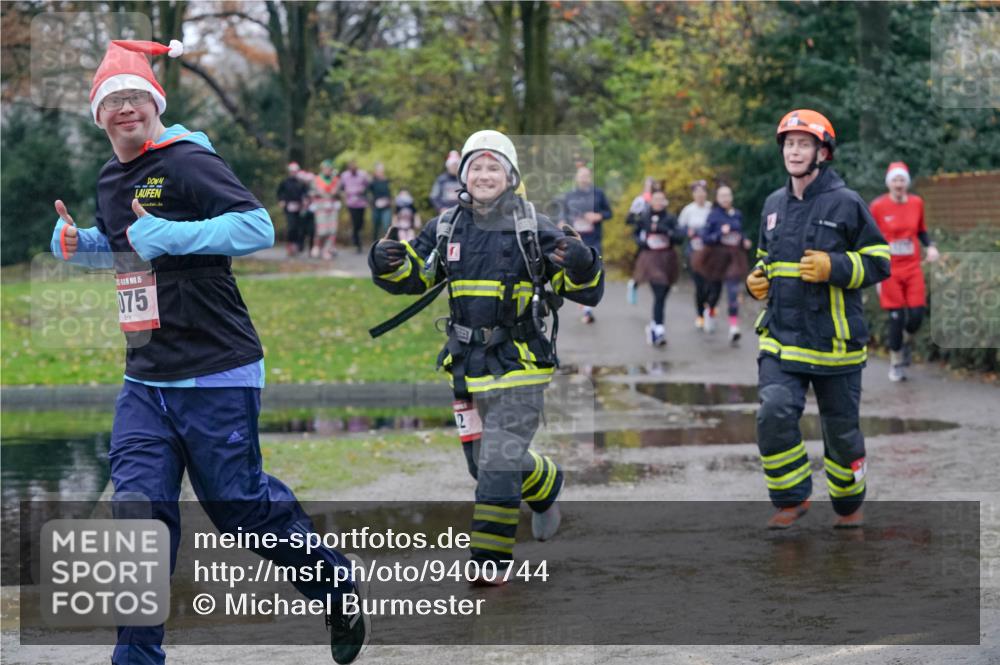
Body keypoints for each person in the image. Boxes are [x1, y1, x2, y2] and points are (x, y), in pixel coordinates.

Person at [49, 39, 368, 664]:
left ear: (155, 103)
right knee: (137, 524)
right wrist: (80, 244)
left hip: (218, 369)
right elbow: (129, 250)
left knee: (241, 512)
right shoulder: (111, 178)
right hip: (146, 378)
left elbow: (258, 227)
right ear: (98, 116)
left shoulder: (188, 160)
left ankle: (332, 583)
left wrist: (173, 233)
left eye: (136, 97)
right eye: (113, 101)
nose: (126, 109)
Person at [369, 130, 604, 577]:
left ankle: (489, 562)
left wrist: (582, 263)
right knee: (485, 467)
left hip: (521, 365)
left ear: (511, 175)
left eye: (493, 166)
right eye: (475, 166)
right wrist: (387, 261)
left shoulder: (534, 227)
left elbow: (585, 290)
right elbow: (416, 275)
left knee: (498, 462)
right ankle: (546, 483)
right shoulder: (445, 226)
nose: (483, 174)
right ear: (463, 174)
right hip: (466, 367)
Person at [746, 109, 890, 530]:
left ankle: (848, 506)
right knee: (773, 412)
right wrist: (758, 279)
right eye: (789, 144)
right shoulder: (773, 204)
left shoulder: (847, 202)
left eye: (803, 144)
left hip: (836, 344)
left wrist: (836, 267)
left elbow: (880, 261)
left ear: (822, 152)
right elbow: (764, 258)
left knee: (842, 436)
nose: (794, 151)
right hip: (781, 338)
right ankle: (792, 499)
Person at [869, 161, 940, 381]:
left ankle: (906, 342)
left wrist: (931, 247)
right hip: (889, 269)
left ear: (906, 183)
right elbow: (869, 235)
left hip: (912, 267)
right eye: (895, 180)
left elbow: (921, 230)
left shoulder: (916, 203)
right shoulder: (878, 207)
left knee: (917, 315)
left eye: (902, 180)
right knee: (896, 318)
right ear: (889, 183)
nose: (899, 184)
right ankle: (896, 361)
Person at [630, 190, 685, 347]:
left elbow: (680, 237)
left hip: (668, 259)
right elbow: (635, 234)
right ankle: (660, 329)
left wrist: (666, 231)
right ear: (651, 201)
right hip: (649, 259)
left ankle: (654, 325)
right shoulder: (644, 217)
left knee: (663, 294)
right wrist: (642, 243)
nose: (659, 202)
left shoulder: (671, 218)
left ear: (665, 201)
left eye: (662, 199)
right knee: (659, 288)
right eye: (656, 199)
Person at [558, 166, 613, 323]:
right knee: (579, 271)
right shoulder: (569, 195)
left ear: (590, 178)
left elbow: (609, 213)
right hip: (576, 239)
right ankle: (585, 304)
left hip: (594, 239)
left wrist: (598, 216)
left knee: (595, 269)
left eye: (586, 176)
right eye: (581, 176)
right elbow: (563, 212)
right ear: (576, 178)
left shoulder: (599, 194)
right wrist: (561, 221)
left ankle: (588, 308)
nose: (584, 179)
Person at [699, 185, 751, 345]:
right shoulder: (713, 216)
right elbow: (706, 238)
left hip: (734, 258)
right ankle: (710, 311)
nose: (726, 199)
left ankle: (734, 328)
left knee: (733, 292)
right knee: (714, 292)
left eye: (728, 195)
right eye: (722, 196)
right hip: (717, 258)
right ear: (717, 198)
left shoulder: (737, 214)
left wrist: (744, 240)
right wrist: (721, 233)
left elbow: (739, 233)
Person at [678, 180, 713, 330]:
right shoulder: (688, 210)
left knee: (711, 284)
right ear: (693, 194)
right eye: (697, 192)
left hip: (710, 252)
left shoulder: (711, 208)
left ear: (706, 193)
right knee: (699, 285)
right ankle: (700, 315)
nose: (700, 195)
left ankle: (709, 307)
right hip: (693, 252)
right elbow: (679, 229)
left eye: (702, 192)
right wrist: (688, 232)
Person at [277, 161, 309, 256]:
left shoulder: (301, 182)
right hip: (289, 207)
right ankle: (290, 245)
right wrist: (282, 201)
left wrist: (305, 200)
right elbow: (280, 193)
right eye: (292, 171)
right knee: (292, 227)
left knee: (300, 228)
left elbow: (305, 193)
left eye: (295, 171)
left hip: (300, 207)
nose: (294, 173)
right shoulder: (285, 182)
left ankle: (298, 245)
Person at [311, 159, 341, 259]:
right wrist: (317, 194)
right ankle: (317, 246)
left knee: (332, 230)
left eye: (329, 168)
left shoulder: (336, 180)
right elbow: (311, 193)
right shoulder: (317, 179)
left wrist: (336, 194)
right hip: (320, 207)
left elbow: (340, 194)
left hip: (332, 207)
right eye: (325, 168)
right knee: (322, 231)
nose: (327, 170)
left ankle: (327, 250)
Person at [339, 160, 370, 253]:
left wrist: (363, 190)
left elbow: (368, 186)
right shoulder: (344, 176)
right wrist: (344, 195)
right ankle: (356, 241)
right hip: (351, 203)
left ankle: (357, 238)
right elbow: (341, 188)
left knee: (360, 223)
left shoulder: (362, 174)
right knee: (354, 222)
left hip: (361, 203)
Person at [429, 149, 462, 213]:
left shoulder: (463, 179)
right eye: (453, 164)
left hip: (461, 213)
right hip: (446, 213)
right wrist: (441, 208)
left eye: (456, 164)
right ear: (448, 165)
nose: (454, 167)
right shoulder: (441, 180)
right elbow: (434, 196)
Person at [368, 162, 392, 240]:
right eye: (378, 170)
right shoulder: (373, 182)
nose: (380, 171)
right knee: (376, 226)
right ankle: (375, 242)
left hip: (386, 207)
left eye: (381, 170)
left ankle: (387, 242)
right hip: (376, 207)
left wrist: (390, 200)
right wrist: (371, 202)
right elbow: (366, 192)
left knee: (386, 225)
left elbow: (390, 193)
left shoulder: (387, 181)